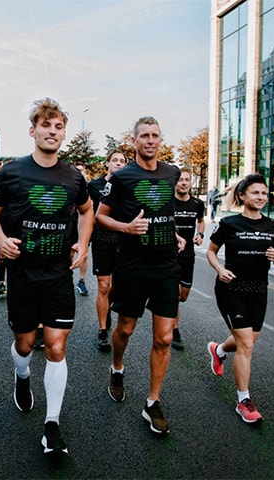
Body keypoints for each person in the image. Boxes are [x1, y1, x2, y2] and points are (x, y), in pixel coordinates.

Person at [0, 98, 93, 456]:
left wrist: (83, 244)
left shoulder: (74, 176)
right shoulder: (13, 172)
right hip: (23, 274)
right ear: (33, 130)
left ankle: (51, 426)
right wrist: (0, 240)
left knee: (57, 346)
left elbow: (88, 211)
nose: (53, 132)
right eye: (46, 126)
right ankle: (23, 375)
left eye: (59, 126)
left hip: (58, 274)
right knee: (26, 344)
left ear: (63, 132)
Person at [95, 116, 185, 435]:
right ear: (134, 141)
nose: (150, 140)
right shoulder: (122, 177)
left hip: (165, 266)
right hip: (132, 266)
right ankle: (117, 367)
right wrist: (127, 227)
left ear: (161, 140)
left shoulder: (172, 172)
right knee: (126, 329)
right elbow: (100, 217)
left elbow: (165, 210)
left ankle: (152, 402)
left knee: (163, 337)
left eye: (155, 135)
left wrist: (175, 235)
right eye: (144, 135)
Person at [206, 173, 274, 424]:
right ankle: (244, 401)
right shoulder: (230, 224)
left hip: (259, 289)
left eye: (264, 193)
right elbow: (211, 251)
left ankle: (218, 350)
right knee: (247, 345)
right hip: (231, 288)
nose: (261, 197)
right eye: (255, 192)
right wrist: (220, 270)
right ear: (242, 196)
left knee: (249, 339)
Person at [87, 148, 127, 352]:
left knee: (117, 287)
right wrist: (82, 241)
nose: (119, 163)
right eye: (115, 160)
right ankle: (103, 331)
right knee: (103, 285)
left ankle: (107, 308)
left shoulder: (128, 184)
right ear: (107, 164)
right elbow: (85, 213)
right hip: (102, 239)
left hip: (124, 239)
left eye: (122, 161)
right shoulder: (94, 185)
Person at [171, 167, 205, 350]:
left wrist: (200, 234)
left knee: (183, 295)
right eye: (180, 180)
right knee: (174, 294)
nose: (183, 183)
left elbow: (200, 220)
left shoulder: (197, 204)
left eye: (187, 180)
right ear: (175, 182)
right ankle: (174, 330)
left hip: (189, 255)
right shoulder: (169, 203)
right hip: (171, 254)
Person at [73, 163, 89, 296]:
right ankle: (65, 277)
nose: (80, 173)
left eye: (81, 171)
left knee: (84, 252)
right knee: (70, 252)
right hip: (70, 221)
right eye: (77, 170)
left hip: (83, 223)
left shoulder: (87, 186)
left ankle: (82, 281)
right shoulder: (69, 182)